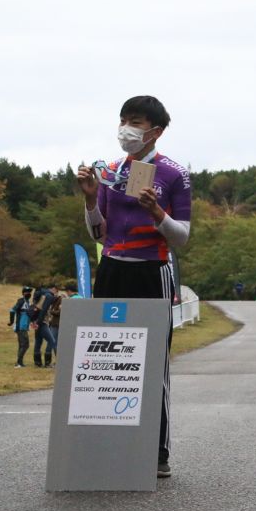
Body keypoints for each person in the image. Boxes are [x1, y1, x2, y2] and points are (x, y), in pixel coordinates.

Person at [77, 95, 191, 479]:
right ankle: (104, 444)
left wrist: (157, 213)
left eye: (136, 121)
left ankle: (158, 452)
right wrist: (91, 200)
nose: (126, 128)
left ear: (155, 131)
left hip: (151, 270)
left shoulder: (174, 175)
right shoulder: (109, 172)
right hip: (111, 268)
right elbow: (98, 231)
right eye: (123, 119)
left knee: (153, 364)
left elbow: (182, 238)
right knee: (102, 361)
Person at [31, 284, 57, 367]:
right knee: (52, 341)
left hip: (36, 321)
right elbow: (43, 310)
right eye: (56, 290)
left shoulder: (40, 294)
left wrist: (35, 322)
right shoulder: (49, 296)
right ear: (53, 289)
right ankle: (48, 363)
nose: (56, 293)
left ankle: (37, 363)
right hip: (42, 322)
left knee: (38, 341)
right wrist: (38, 323)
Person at [8, 286, 34, 368]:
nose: (29, 293)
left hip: (24, 327)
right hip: (20, 327)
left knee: (22, 345)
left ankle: (20, 363)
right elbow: (12, 310)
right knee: (25, 345)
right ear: (23, 293)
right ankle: (19, 363)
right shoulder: (21, 301)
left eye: (30, 292)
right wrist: (11, 322)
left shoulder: (28, 302)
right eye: (27, 292)